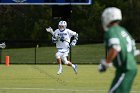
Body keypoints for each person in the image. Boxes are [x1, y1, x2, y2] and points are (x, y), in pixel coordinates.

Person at [98, 7, 138, 93]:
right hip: (129, 67)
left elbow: (115, 48)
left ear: (109, 17)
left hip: (125, 68)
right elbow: (132, 50)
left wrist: (106, 63)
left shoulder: (111, 31)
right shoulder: (123, 30)